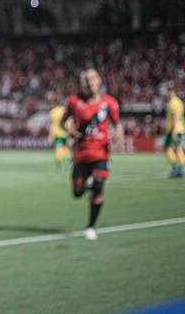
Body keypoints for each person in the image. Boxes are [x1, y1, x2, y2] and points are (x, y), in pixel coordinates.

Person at [61, 69, 124, 241]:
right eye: (86, 79)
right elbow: (62, 122)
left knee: (99, 185)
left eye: (93, 78)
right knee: (77, 193)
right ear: (82, 83)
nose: (90, 82)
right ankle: (87, 184)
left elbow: (117, 124)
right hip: (81, 153)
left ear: (99, 81)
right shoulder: (74, 101)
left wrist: (118, 138)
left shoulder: (109, 102)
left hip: (101, 153)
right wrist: (71, 131)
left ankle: (91, 227)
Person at [163, 83, 185, 178]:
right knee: (178, 147)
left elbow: (175, 117)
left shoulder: (173, 103)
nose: (166, 94)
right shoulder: (179, 101)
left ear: (171, 92)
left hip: (174, 129)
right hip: (180, 128)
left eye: (167, 92)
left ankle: (176, 168)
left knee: (167, 148)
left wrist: (173, 131)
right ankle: (179, 169)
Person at [48, 93, 71, 169]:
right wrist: (69, 130)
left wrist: (50, 136)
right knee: (65, 147)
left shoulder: (52, 112)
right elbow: (68, 121)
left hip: (57, 132)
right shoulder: (64, 110)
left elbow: (52, 124)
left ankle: (58, 162)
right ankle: (69, 157)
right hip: (65, 132)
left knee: (59, 147)